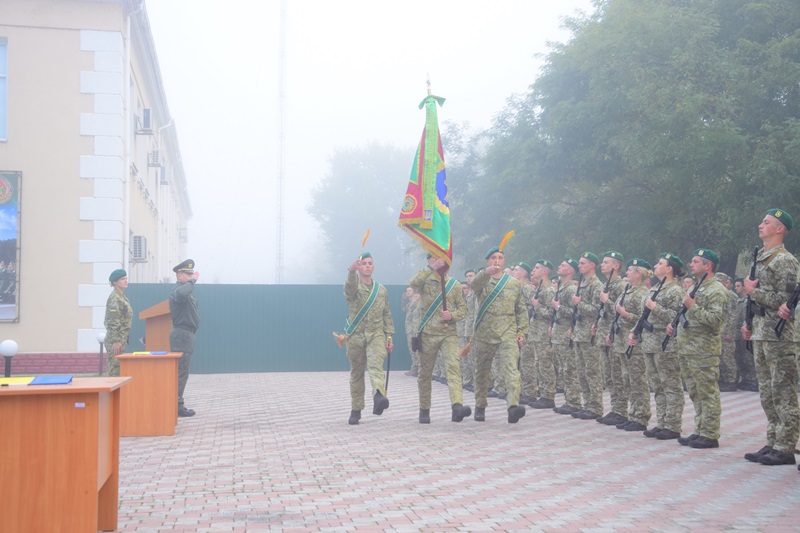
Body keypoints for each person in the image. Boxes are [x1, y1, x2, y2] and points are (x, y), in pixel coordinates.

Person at [742, 209, 800, 466]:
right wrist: (749, 323)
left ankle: (786, 446)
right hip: (763, 333)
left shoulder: (784, 261)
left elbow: (786, 301)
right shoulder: (763, 259)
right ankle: (774, 440)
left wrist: (754, 292)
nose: (760, 225)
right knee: (767, 392)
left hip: (781, 336)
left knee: (782, 391)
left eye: (766, 223)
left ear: (780, 229)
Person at [667, 249, 727, 449]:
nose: (690, 265)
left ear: (707, 265)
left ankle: (710, 434)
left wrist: (692, 306)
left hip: (704, 351)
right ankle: (700, 430)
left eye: (695, 261)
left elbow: (716, 321)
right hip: (688, 349)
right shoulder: (697, 288)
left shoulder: (716, 290)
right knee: (695, 392)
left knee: (707, 392)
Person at [470, 244, 529, 423]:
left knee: (511, 369)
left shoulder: (513, 283)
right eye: (493, 258)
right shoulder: (483, 281)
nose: (497, 261)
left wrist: (522, 331)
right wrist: (486, 272)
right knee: (482, 372)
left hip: (507, 332)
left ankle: (513, 406)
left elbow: (521, 309)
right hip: (485, 333)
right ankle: (480, 405)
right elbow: (474, 285)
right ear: (488, 261)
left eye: (500, 258)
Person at [409, 256, 471, 423]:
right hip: (428, 334)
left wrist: (452, 315)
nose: (439, 262)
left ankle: (457, 406)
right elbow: (413, 283)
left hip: (448, 333)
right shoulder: (424, 280)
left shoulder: (454, 284)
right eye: (434, 259)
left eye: (441, 259)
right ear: (429, 260)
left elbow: (463, 309)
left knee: (453, 368)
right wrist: (431, 268)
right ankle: (424, 409)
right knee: (425, 373)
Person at [636, 253, 686, 440]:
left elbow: (677, 318)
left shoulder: (676, 291)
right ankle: (662, 422)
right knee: (657, 385)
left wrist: (655, 307)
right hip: (650, 343)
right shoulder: (655, 289)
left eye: (660, 263)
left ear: (669, 268)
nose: (655, 266)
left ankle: (673, 425)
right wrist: (635, 332)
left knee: (670, 384)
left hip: (666, 344)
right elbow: (644, 316)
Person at [342, 252, 394, 425]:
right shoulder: (354, 286)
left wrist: (389, 337)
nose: (367, 266)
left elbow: (387, 314)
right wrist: (351, 271)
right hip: (356, 336)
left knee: (375, 366)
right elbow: (349, 290)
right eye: (364, 263)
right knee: (357, 373)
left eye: (370, 263)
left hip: (376, 335)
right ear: (359, 267)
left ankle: (379, 396)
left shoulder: (381, 290)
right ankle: (356, 409)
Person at [611, 259, 649, 432]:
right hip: (621, 341)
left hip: (635, 343)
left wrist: (625, 314)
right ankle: (632, 414)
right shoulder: (628, 290)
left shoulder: (642, 293)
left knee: (637, 380)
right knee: (627, 379)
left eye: (630, 270)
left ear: (638, 273)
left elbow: (644, 319)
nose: (626, 273)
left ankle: (641, 417)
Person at [569, 252, 605, 420]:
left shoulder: (596, 285)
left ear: (592, 265)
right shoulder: (582, 284)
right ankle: (587, 404)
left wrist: (579, 304)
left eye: (583, 263)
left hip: (589, 335)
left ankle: (595, 406)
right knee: (582, 372)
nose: (579, 266)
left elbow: (598, 309)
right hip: (579, 333)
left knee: (592, 372)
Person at [595, 251, 627, 425]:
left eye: (606, 262)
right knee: (609, 375)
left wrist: (607, 301)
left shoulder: (621, 286)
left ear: (616, 266)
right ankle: (615, 408)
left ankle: (621, 410)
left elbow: (622, 312)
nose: (602, 264)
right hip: (604, 334)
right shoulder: (606, 284)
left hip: (615, 335)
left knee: (617, 374)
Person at [169, 259, 200, 418]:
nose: (190, 276)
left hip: (187, 334)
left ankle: (177, 403)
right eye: (187, 274)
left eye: (191, 273)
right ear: (179, 275)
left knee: (183, 372)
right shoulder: (178, 290)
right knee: (181, 372)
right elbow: (181, 295)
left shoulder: (186, 291)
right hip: (181, 334)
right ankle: (176, 406)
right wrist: (193, 280)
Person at [551, 258, 580, 415]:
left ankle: (574, 401)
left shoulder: (570, 289)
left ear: (570, 271)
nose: (559, 267)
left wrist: (559, 307)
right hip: (559, 332)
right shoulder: (562, 288)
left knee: (569, 369)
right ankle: (569, 400)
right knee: (564, 368)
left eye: (563, 265)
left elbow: (575, 313)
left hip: (567, 333)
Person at [529, 260, 557, 408]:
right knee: (539, 363)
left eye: (537, 267)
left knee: (546, 364)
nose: (534, 270)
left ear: (545, 272)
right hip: (536, 333)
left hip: (545, 333)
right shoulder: (539, 289)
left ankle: (548, 396)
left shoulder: (549, 290)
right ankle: (543, 393)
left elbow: (552, 313)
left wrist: (537, 306)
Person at [104, 268, 132, 377]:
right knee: (114, 370)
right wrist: (116, 341)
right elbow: (112, 321)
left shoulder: (121, 296)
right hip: (115, 341)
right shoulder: (114, 299)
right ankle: (107, 393)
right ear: (115, 282)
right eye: (122, 279)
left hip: (120, 339)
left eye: (126, 278)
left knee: (118, 369)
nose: (125, 281)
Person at [715, 272, 740, 392]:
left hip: (726, 332)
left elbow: (734, 315)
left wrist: (730, 332)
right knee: (719, 357)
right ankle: (722, 379)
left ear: (726, 283)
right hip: (717, 331)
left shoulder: (731, 296)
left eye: (721, 282)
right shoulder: (716, 294)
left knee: (728, 357)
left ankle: (731, 381)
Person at [401, 287, 421, 376]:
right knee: (412, 349)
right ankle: (415, 368)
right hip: (409, 329)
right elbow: (404, 309)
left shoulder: (417, 302)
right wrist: (404, 300)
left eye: (410, 291)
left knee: (416, 350)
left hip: (415, 329)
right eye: (407, 291)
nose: (408, 292)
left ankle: (419, 369)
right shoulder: (410, 303)